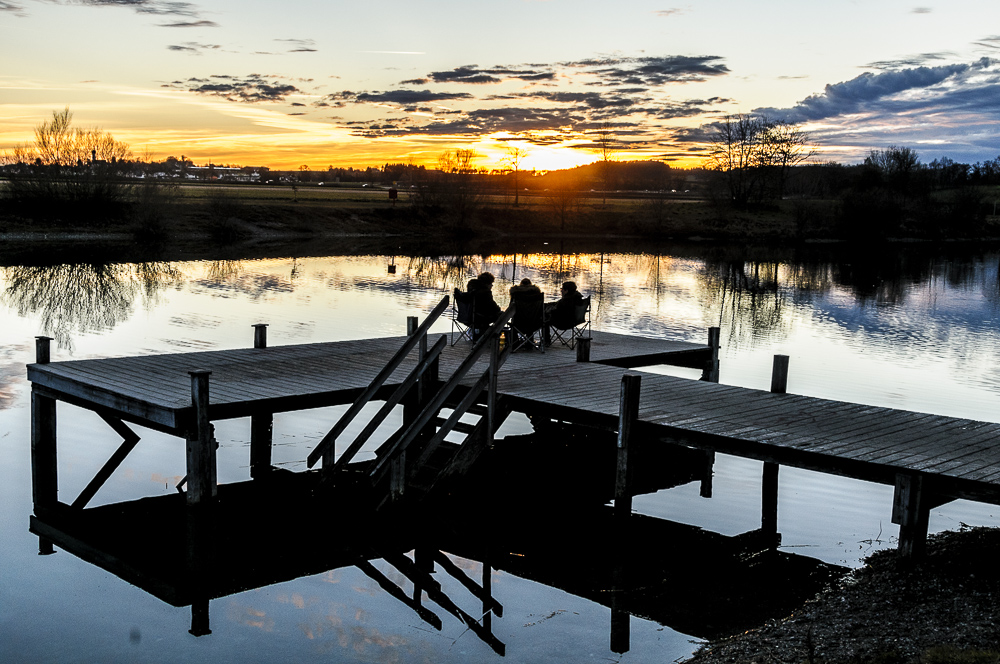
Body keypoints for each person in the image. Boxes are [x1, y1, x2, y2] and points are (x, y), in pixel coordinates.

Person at [471, 272, 501, 339]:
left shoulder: (472, 291)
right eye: (491, 284)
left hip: (470, 316)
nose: (491, 286)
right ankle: (495, 336)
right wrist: (499, 309)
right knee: (502, 316)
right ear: (487, 284)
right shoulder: (485, 293)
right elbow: (493, 307)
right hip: (482, 317)